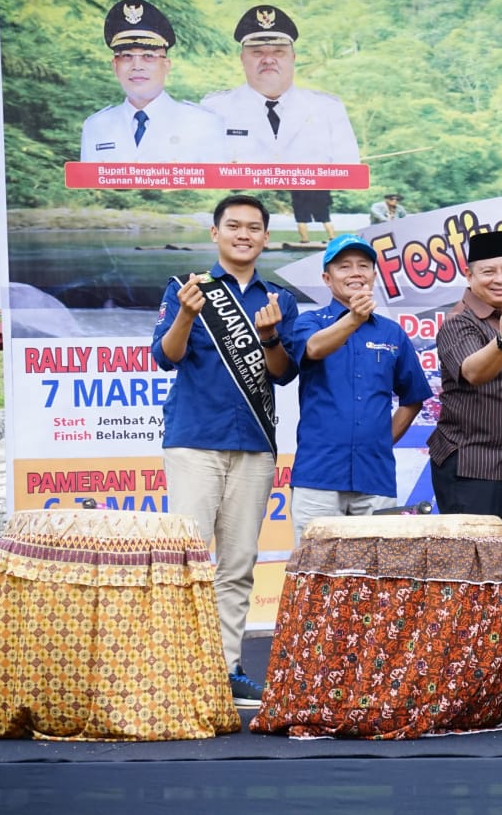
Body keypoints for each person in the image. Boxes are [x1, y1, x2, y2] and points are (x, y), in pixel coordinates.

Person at [152, 194, 299, 708]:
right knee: (187, 561)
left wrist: (269, 337)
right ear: (215, 233)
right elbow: (165, 358)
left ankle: (228, 666)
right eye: (233, 226)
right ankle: (177, 669)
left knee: (237, 563)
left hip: (255, 445)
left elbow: (283, 373)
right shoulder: (186, 290)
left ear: (264, 237)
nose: (243, 234)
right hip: (194, 440)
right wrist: (187, 318)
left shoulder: (278, 298)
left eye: (253, 227)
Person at [289, 234, 432, 544]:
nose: (355, 272)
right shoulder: (309, 322)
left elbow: (413, 398)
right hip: (318, 476)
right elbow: (312, 349)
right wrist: (354, 319)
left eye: (363, 265)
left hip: (375, 477)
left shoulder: (391, 331)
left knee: (377, 579)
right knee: (314, 574)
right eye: (344, 266)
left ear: (374, 275)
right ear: (327, 278)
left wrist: (381, 439)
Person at [428, 231, 502, 564]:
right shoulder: (458, 322)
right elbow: (474, 372)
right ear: (469, 275)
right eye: (488, 271)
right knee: (474, 580)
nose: (499, 279)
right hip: (471, 471)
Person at [202, 5, 361, 243]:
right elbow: (202, 170)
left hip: (309, 200)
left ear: (293, 58)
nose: (268, 60)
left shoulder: (328, 109)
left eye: (278, 51)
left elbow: (349, 173)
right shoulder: (214, 108)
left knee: (317, 217)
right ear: (242, 58)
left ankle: (318, 240)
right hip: (231, 226)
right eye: (257, 52)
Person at [81, 0, 224, 163]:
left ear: (166, 65)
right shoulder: (96, 126)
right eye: (127, 56)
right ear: (115, 66)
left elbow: (216, 189)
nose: (137, 66)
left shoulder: (203, 123)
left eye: (148, 56)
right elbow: (89, 189)